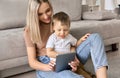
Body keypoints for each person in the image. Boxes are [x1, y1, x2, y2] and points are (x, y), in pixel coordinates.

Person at [24, 0, 108, 78]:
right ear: (34, 14)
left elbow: (69, 43)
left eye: (48, 11)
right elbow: (32, 62)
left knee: (95, 37)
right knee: (68, 75)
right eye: (40, 14)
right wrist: (48, 67)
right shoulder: (29, 30)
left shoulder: (57, 22)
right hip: (47, 64)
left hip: (67, 56)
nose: (46, 16)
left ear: (51, 7)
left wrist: (72, 56)